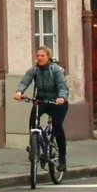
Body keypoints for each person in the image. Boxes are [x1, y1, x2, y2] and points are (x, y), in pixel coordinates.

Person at [12, 45, 71, 173]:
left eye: (42, 56)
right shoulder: (34, 70)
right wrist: (19, 91)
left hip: (57, 102)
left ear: (48, 57)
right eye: (38, 56)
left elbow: (62, 85)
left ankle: (62, 159)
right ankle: (34, 147)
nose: (39, 58)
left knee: (57, 126)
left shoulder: (55, 70)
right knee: (33, 121)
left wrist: (61, 97)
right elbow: (25, 81)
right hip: (41, 100)